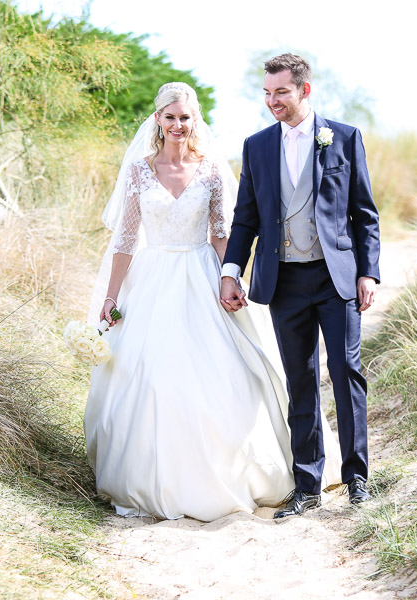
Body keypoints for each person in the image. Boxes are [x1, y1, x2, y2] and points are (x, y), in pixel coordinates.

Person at [84, 82, 342, 522]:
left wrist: (231, 278)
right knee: (153, 378)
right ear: (158, 120)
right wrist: (111, 297)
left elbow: (224, 232)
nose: (178, 125)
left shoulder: (209, 171)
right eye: (170, 117)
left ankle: (239, 474)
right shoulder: (140, 171)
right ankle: (157, 477)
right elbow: (125, 240)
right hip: (153, 281)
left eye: (186, 117)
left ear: (195, 119)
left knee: (224, 373)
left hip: (203, 275)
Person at [220, 54, 381, 518]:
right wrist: (231, 270)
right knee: (300, 379)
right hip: (284, 279)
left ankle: (357, 480)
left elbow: (364, 213)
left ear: (304, 91)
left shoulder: (344, 138)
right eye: (267, 94)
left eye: (281, 93)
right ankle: (308, 485)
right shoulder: (256, 147)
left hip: (337, 277)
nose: (272, 102)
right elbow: (245, 218)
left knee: (347, 373)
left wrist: (367, 271)